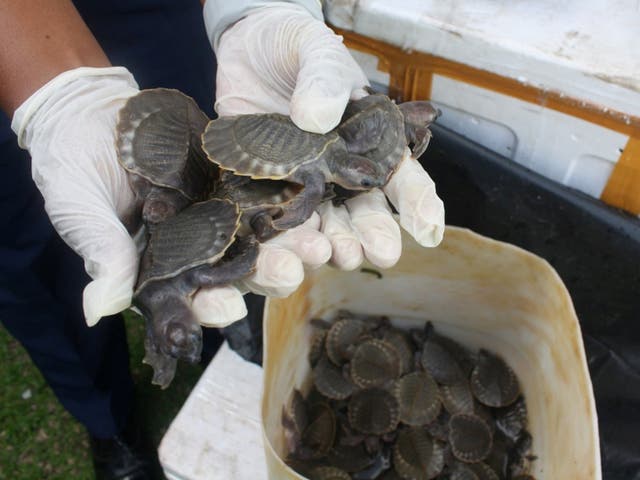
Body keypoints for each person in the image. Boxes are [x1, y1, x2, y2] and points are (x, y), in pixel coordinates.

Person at [0, 1, 445, 478]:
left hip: (151, 17)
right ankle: (108, 421)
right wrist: (56, 92)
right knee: (47, 278)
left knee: (199, 144)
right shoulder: (314, 182)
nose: (364, 177)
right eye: (360, 174)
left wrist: (255, 8)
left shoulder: (323, 166)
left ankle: (211, 349)